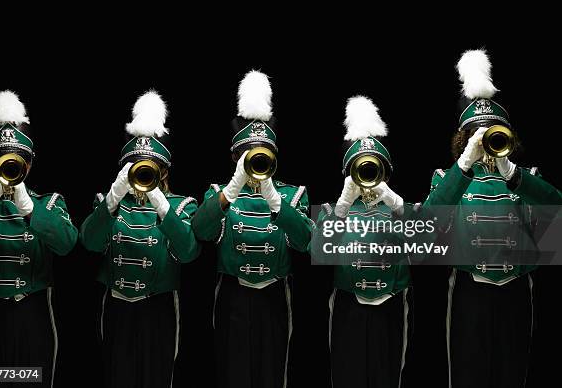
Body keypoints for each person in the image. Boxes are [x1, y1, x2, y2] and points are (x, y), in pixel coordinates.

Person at [422, 50, 562, 387]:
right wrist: (464, 165)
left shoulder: (526, 175)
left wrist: (513, 173)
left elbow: (556, 215)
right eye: (476, 134)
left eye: (493, 133)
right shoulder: (447, 177)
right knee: (467, 375)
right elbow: (427, 223)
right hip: (469, 293)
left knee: (513, 374)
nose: (485, 140)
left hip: (516, 292)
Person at [191, 70, 313, 388]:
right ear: (235, 157)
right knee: (232, 373)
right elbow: (201, 231)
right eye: (249, 155)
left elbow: (304, 242)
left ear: (273, 156)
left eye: (263, 155)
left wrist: (274, 198)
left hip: (274, 295)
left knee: (273, 373)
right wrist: (232, 189)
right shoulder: (218, 192)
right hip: (232, 294)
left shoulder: (293, 194)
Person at [0, 90, 78, 387]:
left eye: (18, 161)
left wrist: (29, 208)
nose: (9, 166)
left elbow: (67, 243)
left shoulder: (49, 203)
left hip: (32, 317)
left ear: (29, 165)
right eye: (1, 160)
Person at [80, 89, 200, 388]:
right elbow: (90, 242)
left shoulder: (183, 205)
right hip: (117, 308)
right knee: (116, 376)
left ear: (163, 172)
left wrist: (161, 203)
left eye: (150, 168)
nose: (143, 172)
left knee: (158, 378)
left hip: (158, 309)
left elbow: (188, 252)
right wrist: (114, 195)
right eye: (136, 166)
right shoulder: (107, 203)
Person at [313, 95, 411, 388]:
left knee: (389, 377)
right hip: (348, 307)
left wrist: (395, 202)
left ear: (386, 172)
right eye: (360, 169)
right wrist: (343, 205)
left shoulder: (400, 209)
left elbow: (429, 240)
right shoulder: (333, 212)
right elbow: (318, 251)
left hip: (392, 306)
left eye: (373, 168)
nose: (366, 175)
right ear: (348, 174)